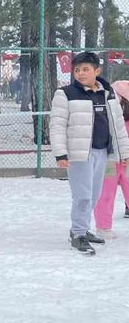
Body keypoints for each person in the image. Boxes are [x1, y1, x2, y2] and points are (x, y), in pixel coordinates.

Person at [50, 52, 129, 255]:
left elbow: (118, 126)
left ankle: (83, 228)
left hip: (103, 152)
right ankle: (77, 234)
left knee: (94, 194)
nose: (81, 73)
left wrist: (124, 152)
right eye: (77, 70)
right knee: (83, 196)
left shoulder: (108, 93)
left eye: (86, 69)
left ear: (97, 71)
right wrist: (61, 153)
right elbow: (57, 125)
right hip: (79, 155)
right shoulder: (65, 93)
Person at [93, 79, 129, 239]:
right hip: (110, 160)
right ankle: (103, 226)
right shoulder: (106, 115)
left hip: (127, 161)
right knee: (106, 193)